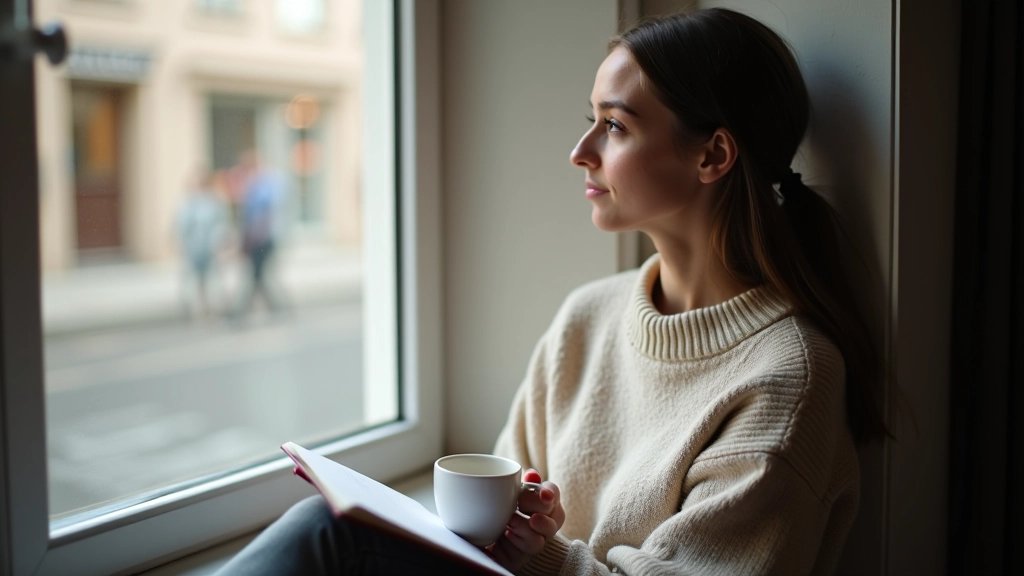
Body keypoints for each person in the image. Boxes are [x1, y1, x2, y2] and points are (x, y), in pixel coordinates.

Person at [216, 7, 886, 575]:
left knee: (324, 537)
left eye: (616, 125)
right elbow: (502, 506)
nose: (580, 149)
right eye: (590, 118)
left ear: (712, 155)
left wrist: (551, 558)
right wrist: (519, 520)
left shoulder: (788, 377)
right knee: (324, 526)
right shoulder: (587, 316)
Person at [177, 168, 228, 319]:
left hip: (210, 247)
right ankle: (198, 311)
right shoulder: (188, 203)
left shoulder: (215, 201)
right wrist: (181, 243)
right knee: (195, 280)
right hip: (194, 247)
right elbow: (181, 226)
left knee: (212, 278)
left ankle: (214, 310)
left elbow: (221, 223)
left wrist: (221, 242)